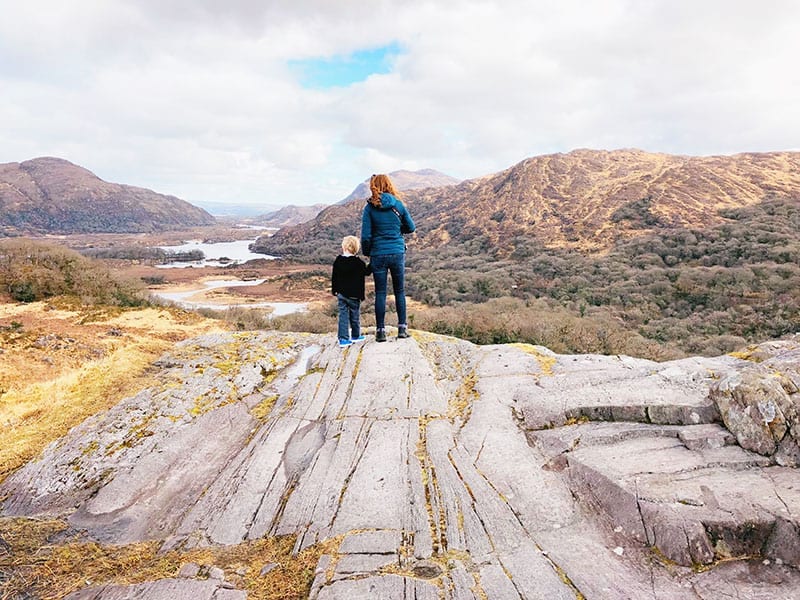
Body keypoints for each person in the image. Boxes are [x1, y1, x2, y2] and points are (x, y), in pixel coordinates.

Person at [360, 174, 415, 342]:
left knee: (380, 293)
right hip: (397, 252)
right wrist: (397, 231)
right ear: (388, 185)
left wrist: (368, 253)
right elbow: (411, 227)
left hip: (378, 254)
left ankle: (381, 332)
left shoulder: (370, 208)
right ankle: (402, 329)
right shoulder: (398, 205)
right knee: (400, 291)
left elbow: (366, 237)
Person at [331, 235, 370, 348]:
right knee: (355, 315)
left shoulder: (338, 261)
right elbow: (367, 272)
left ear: (343, 247)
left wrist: (335, 290)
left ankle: (343, 339)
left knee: (343, 316)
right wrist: (373, 263)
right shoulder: (359, 263)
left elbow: (334, 277)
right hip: (355, 295)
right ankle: (356, 336)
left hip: (342, 294)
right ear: (356, 248)